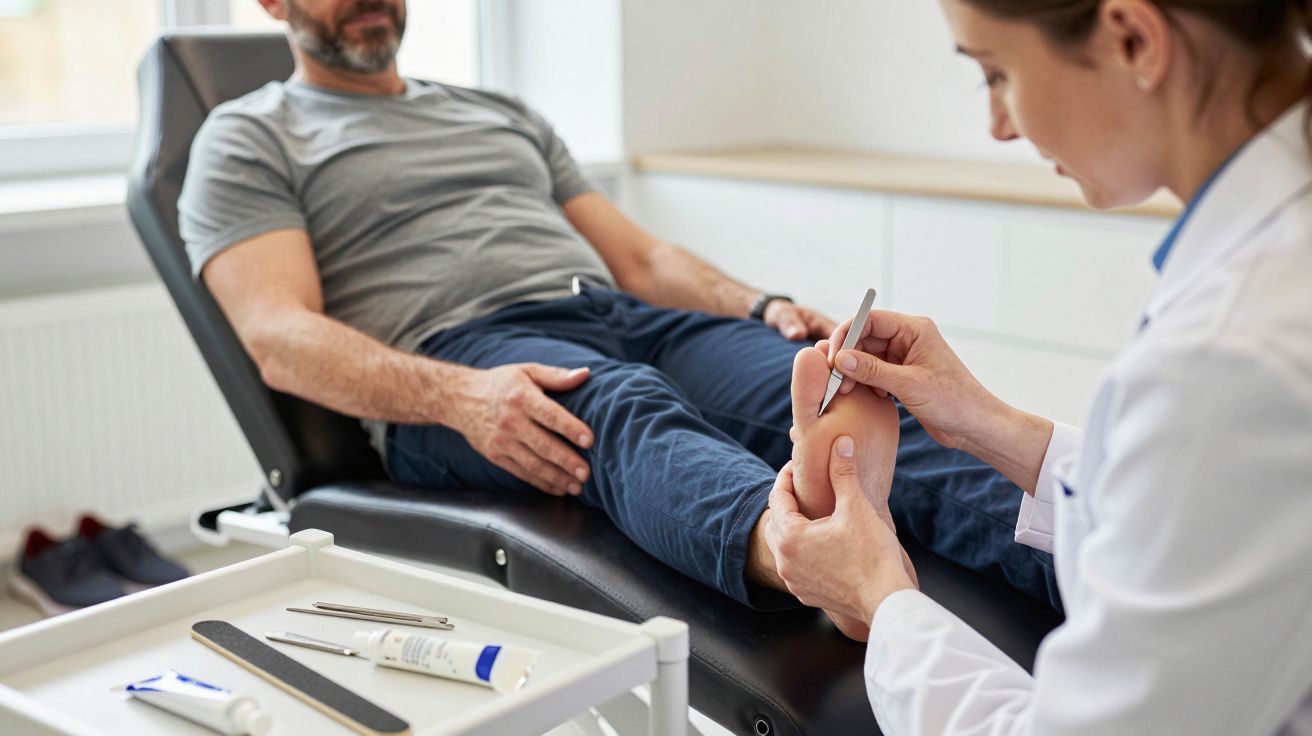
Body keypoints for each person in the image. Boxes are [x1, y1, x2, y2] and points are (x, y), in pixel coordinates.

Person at [180, 0, 1057, 630]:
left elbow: (642, 258)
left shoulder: (499, 113)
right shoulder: (249, 135)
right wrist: (461, 398)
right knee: (621, 403)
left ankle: (1087, 569)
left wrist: (760, 305)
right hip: (466, 357)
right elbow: (279, 338)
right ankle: (809, 558)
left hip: (616, 311)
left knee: (840, 396)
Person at [765, 0, 1312, 732]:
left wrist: (879, 595)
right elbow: (1209, 502)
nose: (1000, 125)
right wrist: (988, 424)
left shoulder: (1232, 355)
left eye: (997, 73)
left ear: (1132, 38)